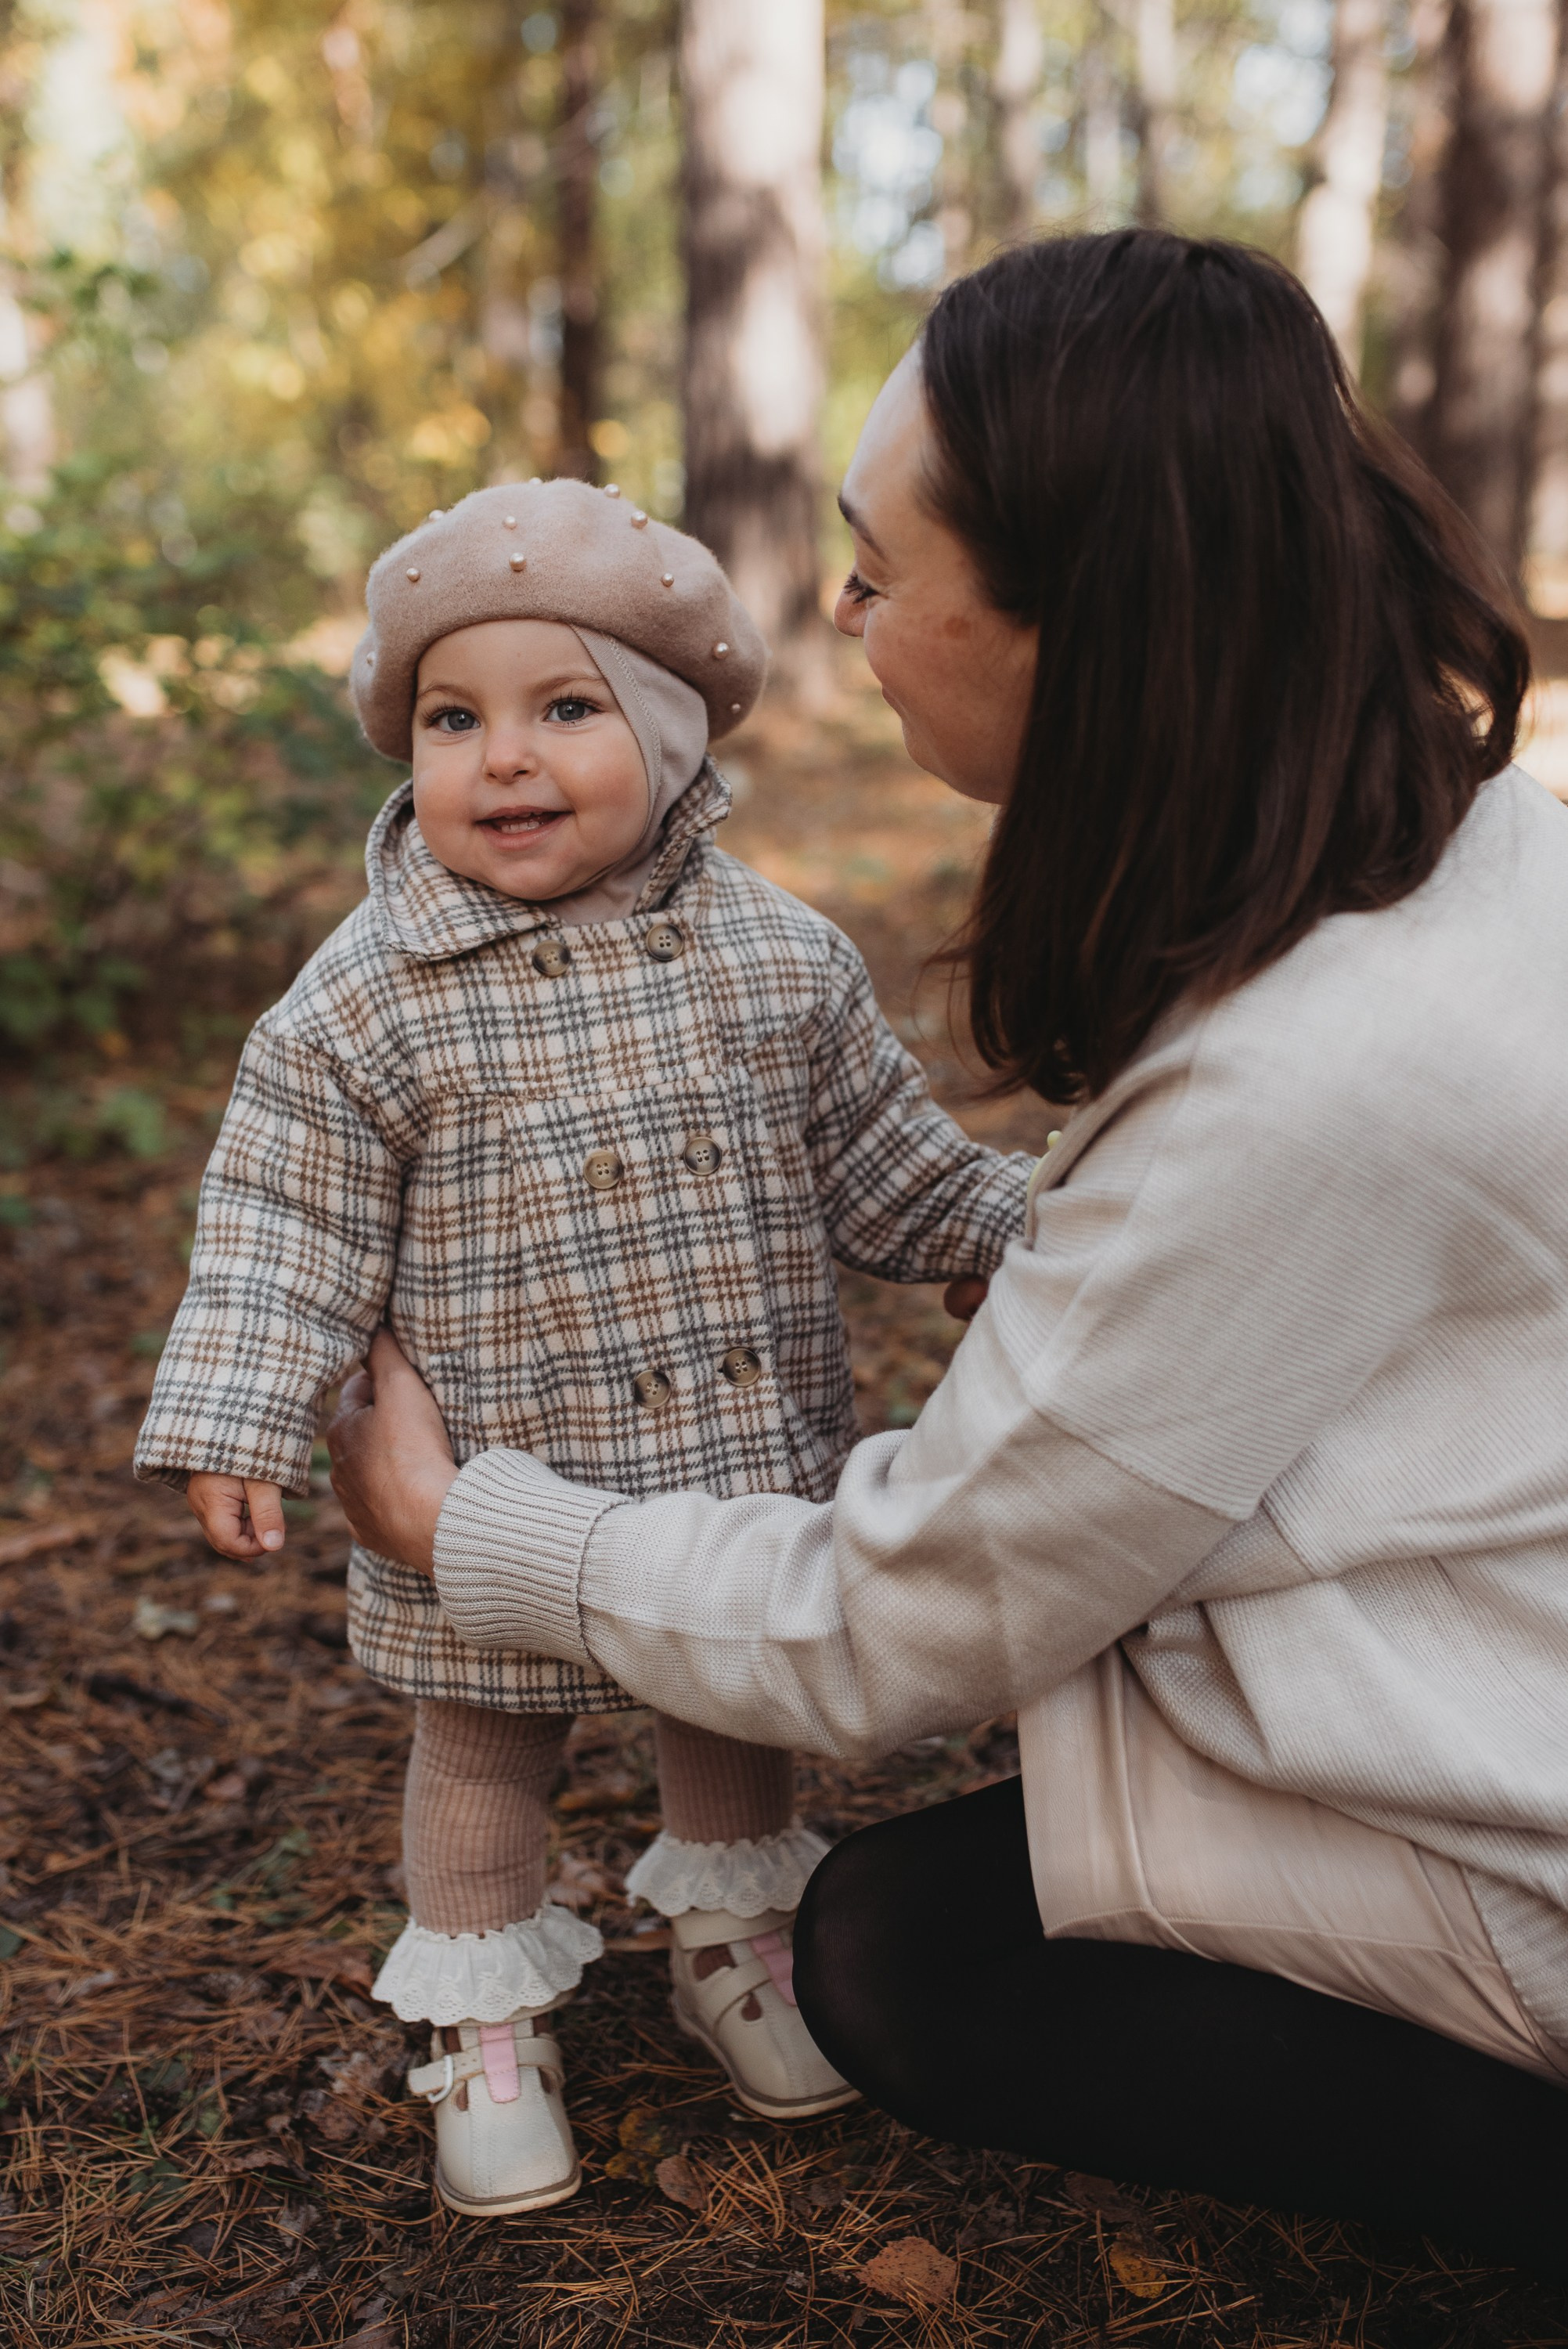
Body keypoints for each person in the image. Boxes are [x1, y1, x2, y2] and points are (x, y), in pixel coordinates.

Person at [326, 233, 1568, 2276]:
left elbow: (908, 1627)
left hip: (1513, 1816)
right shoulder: (1454, 839)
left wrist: (471, 1529)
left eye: (882, 573)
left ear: (1081, 628)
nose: (844, 615)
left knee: (896, 1954)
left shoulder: (1311, 1078)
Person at [133, 478, 1033, 2217]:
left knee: (726, 1703)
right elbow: (284, 1223)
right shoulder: (369, 995)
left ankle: (738, 1938)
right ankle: (484, 2021)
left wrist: (1008, 1239)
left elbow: (880, 1156)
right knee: (481, 1752)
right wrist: (242, 1409)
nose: (504, 760)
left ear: (677, 738)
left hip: (721, 1455)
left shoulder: (777, 959)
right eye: (454, 720)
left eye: (568, 709)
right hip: (483, 1488)